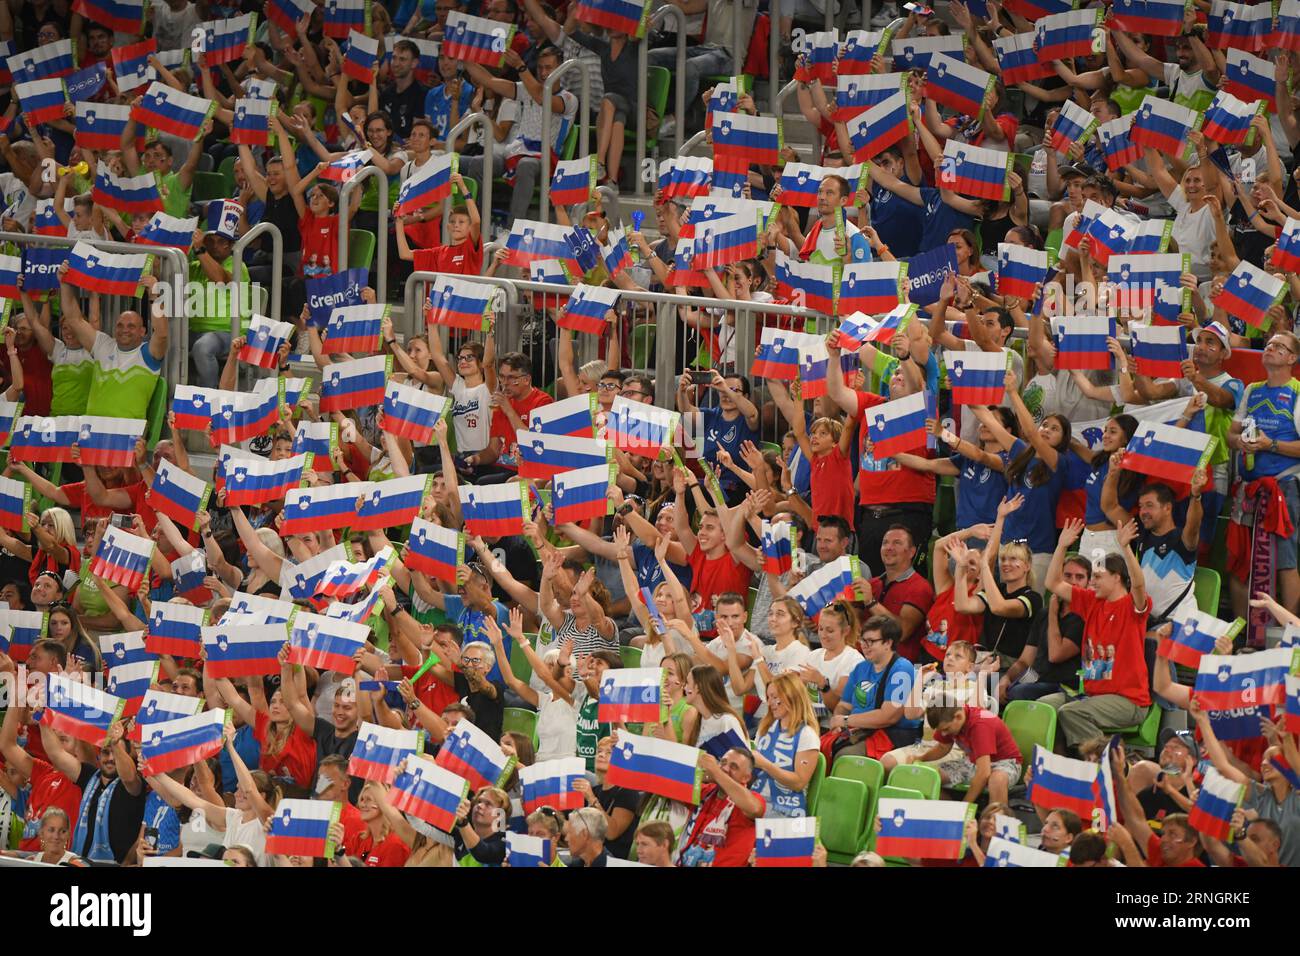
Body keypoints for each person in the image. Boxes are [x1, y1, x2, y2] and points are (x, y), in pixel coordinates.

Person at [1041, 519, 1151, 751]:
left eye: (1098, 577)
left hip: (1128, 700)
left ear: (1117, 577)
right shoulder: (1092, 602)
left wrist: (1126, 548)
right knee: (1044, 708)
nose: (1091, 582)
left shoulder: (1131, 607)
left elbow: (1139, 585)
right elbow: (1052, 583)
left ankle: (1110, 762)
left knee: (1071, 712)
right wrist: (1061, 546)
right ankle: (1063, 769)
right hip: (1090, 695)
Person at [829, 615, 922, 760]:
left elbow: (889, 716)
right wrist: (838, 722)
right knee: (820, 748)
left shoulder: (902, 669)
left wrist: (846, 721)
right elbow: (844, 706)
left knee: (845, 757)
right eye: (862, 640)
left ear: (888, 643)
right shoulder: (860, 668)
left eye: (871, 641)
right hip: (859, 730)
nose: (864, 646)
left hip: (891, 734)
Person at [677, 748, 766, 868]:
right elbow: (671, 782)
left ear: (746, 778)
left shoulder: (752, 798)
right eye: (723, 762)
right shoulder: (705, 791)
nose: (725, 768)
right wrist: (701, 774)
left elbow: (755, 809)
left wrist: (716, 771)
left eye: (734, 767)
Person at [749, 672, 821, 817]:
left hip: (785, 810)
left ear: (791, 696)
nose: (769, 703)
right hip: (754, 799)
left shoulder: (807, 734)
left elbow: (799, 782)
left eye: (775, 697)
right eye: (768, 698)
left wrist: (765, 765)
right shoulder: (765, 728)